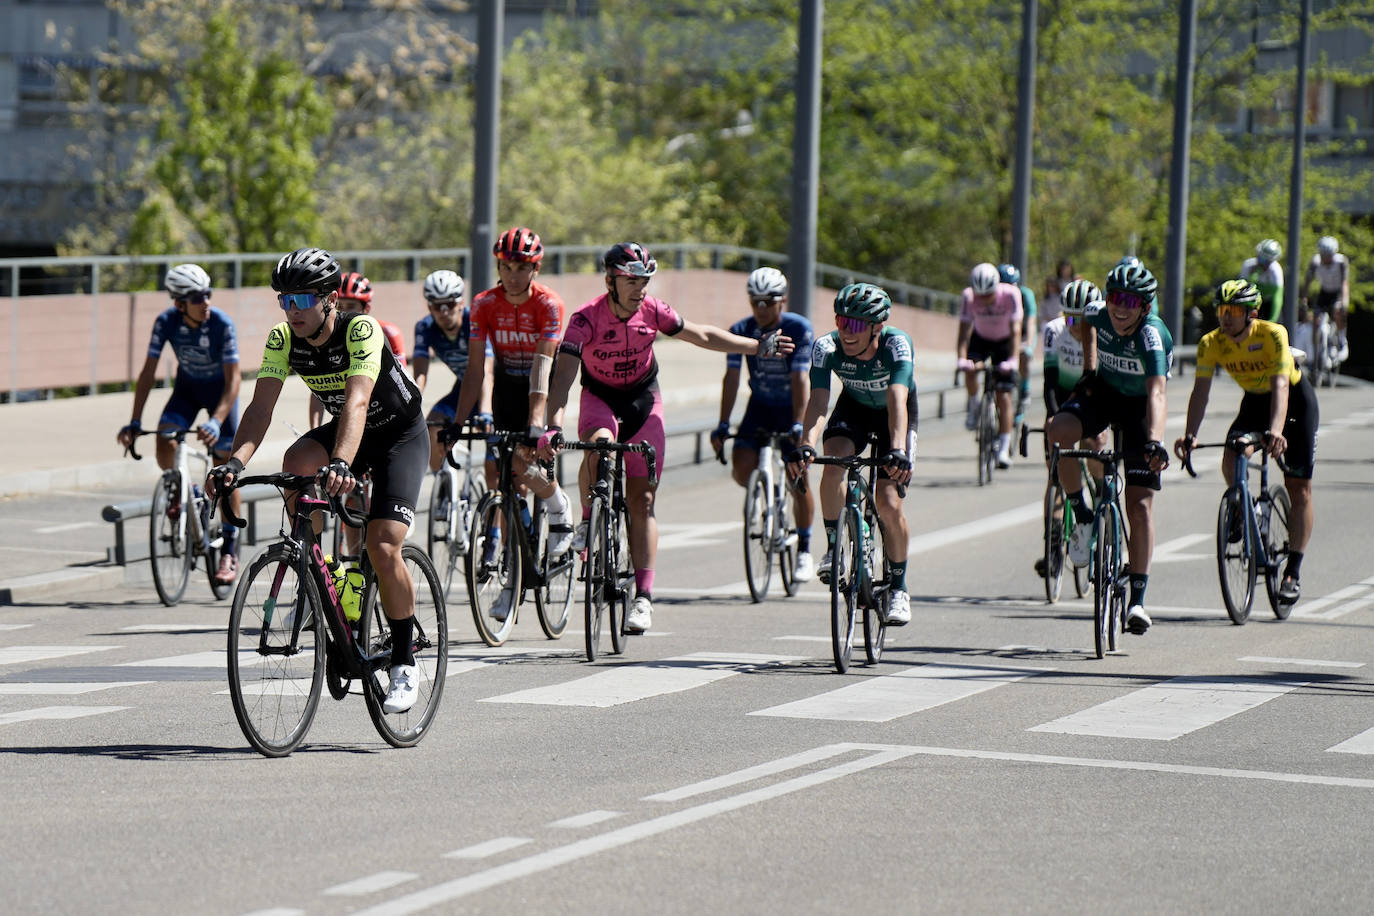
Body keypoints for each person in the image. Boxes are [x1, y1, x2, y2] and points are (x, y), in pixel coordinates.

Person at [205, 247, 427, 714]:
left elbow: (359, 402)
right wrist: (234, 465)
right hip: (345, 433)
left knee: (383, 545)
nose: (292, 311)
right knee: (296, 461)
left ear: (329, 299)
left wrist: (343, 462)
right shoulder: (283, 338)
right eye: (284, 300)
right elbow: (260, 408)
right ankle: (323, 571)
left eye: (302, 300)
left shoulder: (360, 330)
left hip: (396, 436)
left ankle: (405, 662)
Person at [539, 242, 794, 634]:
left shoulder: (653, 310)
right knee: (601, 444)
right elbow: (562, 380)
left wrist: (759, 346)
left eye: (644, 279)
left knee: (642, 499)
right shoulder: (584, 320)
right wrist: (552, 425)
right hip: (600, 397)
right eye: (631, 279)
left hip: (643, 398)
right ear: (611, 280)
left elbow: (703, 336)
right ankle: (588, 524)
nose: (640, 286)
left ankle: (643, 597)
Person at [448, 226, 576, 622]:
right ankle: (511, 580)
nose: (514, 274)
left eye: (522, 267)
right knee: (503, 476)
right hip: (506, 385)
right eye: (507, 266)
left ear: (534, 269)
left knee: (527, 458)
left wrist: (538, 422)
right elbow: (474, 371)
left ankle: (557, 503)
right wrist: (457, 423)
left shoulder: (549, 304)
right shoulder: (484, 304)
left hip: (544, 384)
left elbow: (543, 366)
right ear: (498, 266)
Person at [1047, 261, 1172, 636]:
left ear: (1145, 308)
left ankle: (1137, 599)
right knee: (1058, 431)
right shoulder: (1097, 314)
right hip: (1105, 393)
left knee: (1139, 504)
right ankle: (1081, 514)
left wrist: (1155, 441)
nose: (1120, 307)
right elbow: (1086, 327)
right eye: (1116, 297)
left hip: (1139, 409)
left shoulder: (1152, 335)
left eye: (1130, 302)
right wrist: (1089, 369)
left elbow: (1157, 392)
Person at [1174, 279, 1318, 603]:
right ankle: (1241, 506)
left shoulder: (1272, 334)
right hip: (1254, 402)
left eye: (1234, 311)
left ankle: (1293, 571)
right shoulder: (1211, 343)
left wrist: (1276, 431)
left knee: (1299, 488)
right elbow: (1200, 392)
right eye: (1222, 310)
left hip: (1294, 404)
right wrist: (1191, 433)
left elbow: (1281, 385)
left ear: (1252, 313)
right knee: (1232, 454)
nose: (1226, 318)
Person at [786, 283, 916, 626]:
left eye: (856, 325)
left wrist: (899, 449)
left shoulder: (897, 345)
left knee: (888, 501)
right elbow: (817, 403)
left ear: (877, 327)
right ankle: (833, 547)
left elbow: (898, 400)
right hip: (854, 409)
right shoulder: (826, 347)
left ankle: (899, 588)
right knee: (833, 467)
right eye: (841, 321)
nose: (846, 330)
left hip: (894, 416)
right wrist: (806, 444)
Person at [117, 263, 242, 585]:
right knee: (163, 439)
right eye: (198, 298)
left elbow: (234, 380)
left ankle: (230, 547)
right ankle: (189, 491)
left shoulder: (222, 324)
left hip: (221, 396)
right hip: (186, 392)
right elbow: (147, 373)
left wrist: (216, 421)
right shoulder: (166, 322)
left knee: (226, 468)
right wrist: (134, 420)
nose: (206, 303)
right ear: (179, 303)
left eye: (208, 294)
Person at [709, 267, 818, 582]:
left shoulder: (798, 329)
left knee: (800, 478)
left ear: (782, 301)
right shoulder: (741, 329)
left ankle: (805, 550)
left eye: (767, 302)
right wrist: (722, 423)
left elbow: (800, 378)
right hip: (759, 406)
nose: (760, 309)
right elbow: (730, 378)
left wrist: (799, 424)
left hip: (790, 407)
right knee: (741, 467)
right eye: (754, 301)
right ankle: (768, 488)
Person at [1033, 278, 1108, 578]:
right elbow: (1050, 382)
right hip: (1063, 400)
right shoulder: (1053, 331)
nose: (1076, 325)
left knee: (1095, 450)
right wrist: (1053, 416)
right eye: (1070, 317)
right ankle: (1052, 551)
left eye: (1083, 318)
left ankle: (1102, 497)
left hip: (1093, 400)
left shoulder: (1103, 333)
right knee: (1055, 481)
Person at [411, 269, 493, 472]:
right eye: (437, 306)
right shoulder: (425, 327)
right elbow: (420, 373)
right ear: (429, 306)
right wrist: (411, 404)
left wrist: (484, 411)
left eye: (450, 304)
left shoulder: (474, 322)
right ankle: (445, 486)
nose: (444, 311)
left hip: (493, 390)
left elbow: (485, 371)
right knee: (432, 426)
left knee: (494, 469)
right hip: (463, 389)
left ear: (461, 303)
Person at [308, 271, 406, 429]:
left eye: (351, 306)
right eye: (341, 306)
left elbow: (402, 382)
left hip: (386, 416)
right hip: (349, 416)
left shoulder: (388, 332)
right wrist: (314, 428)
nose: (345, 312)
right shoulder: (325, 338)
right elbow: (318, 388)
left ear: (366, 308)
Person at [956, 262, 1022, 468]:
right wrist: (960, 358)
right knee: (970, 368)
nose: (983, 300)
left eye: (988, 295)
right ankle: (974, 405)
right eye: (980, 296)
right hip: (981, 339)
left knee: (1004, 396)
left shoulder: (1011, 294)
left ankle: (1003, 448)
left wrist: (1013, 359)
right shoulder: (968, 297)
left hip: (1004, 342)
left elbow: (1016, 330)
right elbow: (964, 331)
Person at [998, 263, 1038, 424]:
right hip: (1005, 334)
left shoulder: (1025, 295)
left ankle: (1025, 390)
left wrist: (1027, 343)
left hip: (1022, 334)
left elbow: (1031, 321)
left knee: (1024, 355)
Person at [1303, 235, 1350, 365]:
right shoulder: (1315, 262)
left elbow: (1345, 283)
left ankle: (1341, 340)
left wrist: (1344, 302)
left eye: (1328, 255)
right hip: (1324, 292)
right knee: (1316, 319)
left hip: (1337, 292)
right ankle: (1315, 352)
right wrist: (1304, 299)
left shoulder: (1341, 262)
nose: (1326, 259)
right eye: (1323, 255)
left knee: (1337, 310)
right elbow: (1307, 282)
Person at [1241, 239, 1284, 323]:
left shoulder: (1275, 270)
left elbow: (1277, 297)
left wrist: (1273, 320)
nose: (1263, 263)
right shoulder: (1248, 265)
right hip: (1252, 302)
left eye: (1267, 261)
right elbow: (1242, 292)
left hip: (1269, 304)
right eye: (1261, 259)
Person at [1041, 260, 1078, 325]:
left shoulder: (1074, 281)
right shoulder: (1057, 281)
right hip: (1061, 305)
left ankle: (1071, 325)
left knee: (1071, 322)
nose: (1066, 271)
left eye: (1067, 269)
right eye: (1064, 269)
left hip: (1073, 305)